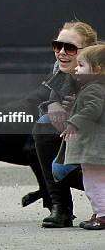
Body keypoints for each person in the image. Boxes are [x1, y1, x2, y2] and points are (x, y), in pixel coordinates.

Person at [33, 21, 98, 228]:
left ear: (87, 51)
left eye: (69, 48)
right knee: (43, 126)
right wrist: (53, 104)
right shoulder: (61, 68)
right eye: (57, 45)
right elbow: (55, 93)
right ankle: (60, 208)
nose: (61, 52)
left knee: (61, 168)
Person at [60, 44, 105, 230]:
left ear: (97, 70)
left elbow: (93, 109)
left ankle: (102, 215)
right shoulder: (96, 87)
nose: (76, 68)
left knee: (93, 182)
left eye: (81, 65)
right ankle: (99, 211)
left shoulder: (93, 89)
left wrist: (74, 122)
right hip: (96, 148)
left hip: (93, 149)